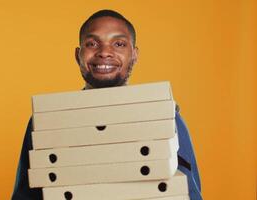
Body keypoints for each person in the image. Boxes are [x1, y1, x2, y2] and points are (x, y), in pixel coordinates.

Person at [11, 9, 202, 200]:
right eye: (92, 43)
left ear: (134, 55)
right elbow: (25, 195)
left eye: (119, 44)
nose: (104, 53)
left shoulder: (167, 116)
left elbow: (188, 192)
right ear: (78, 55)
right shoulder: (45, 122)